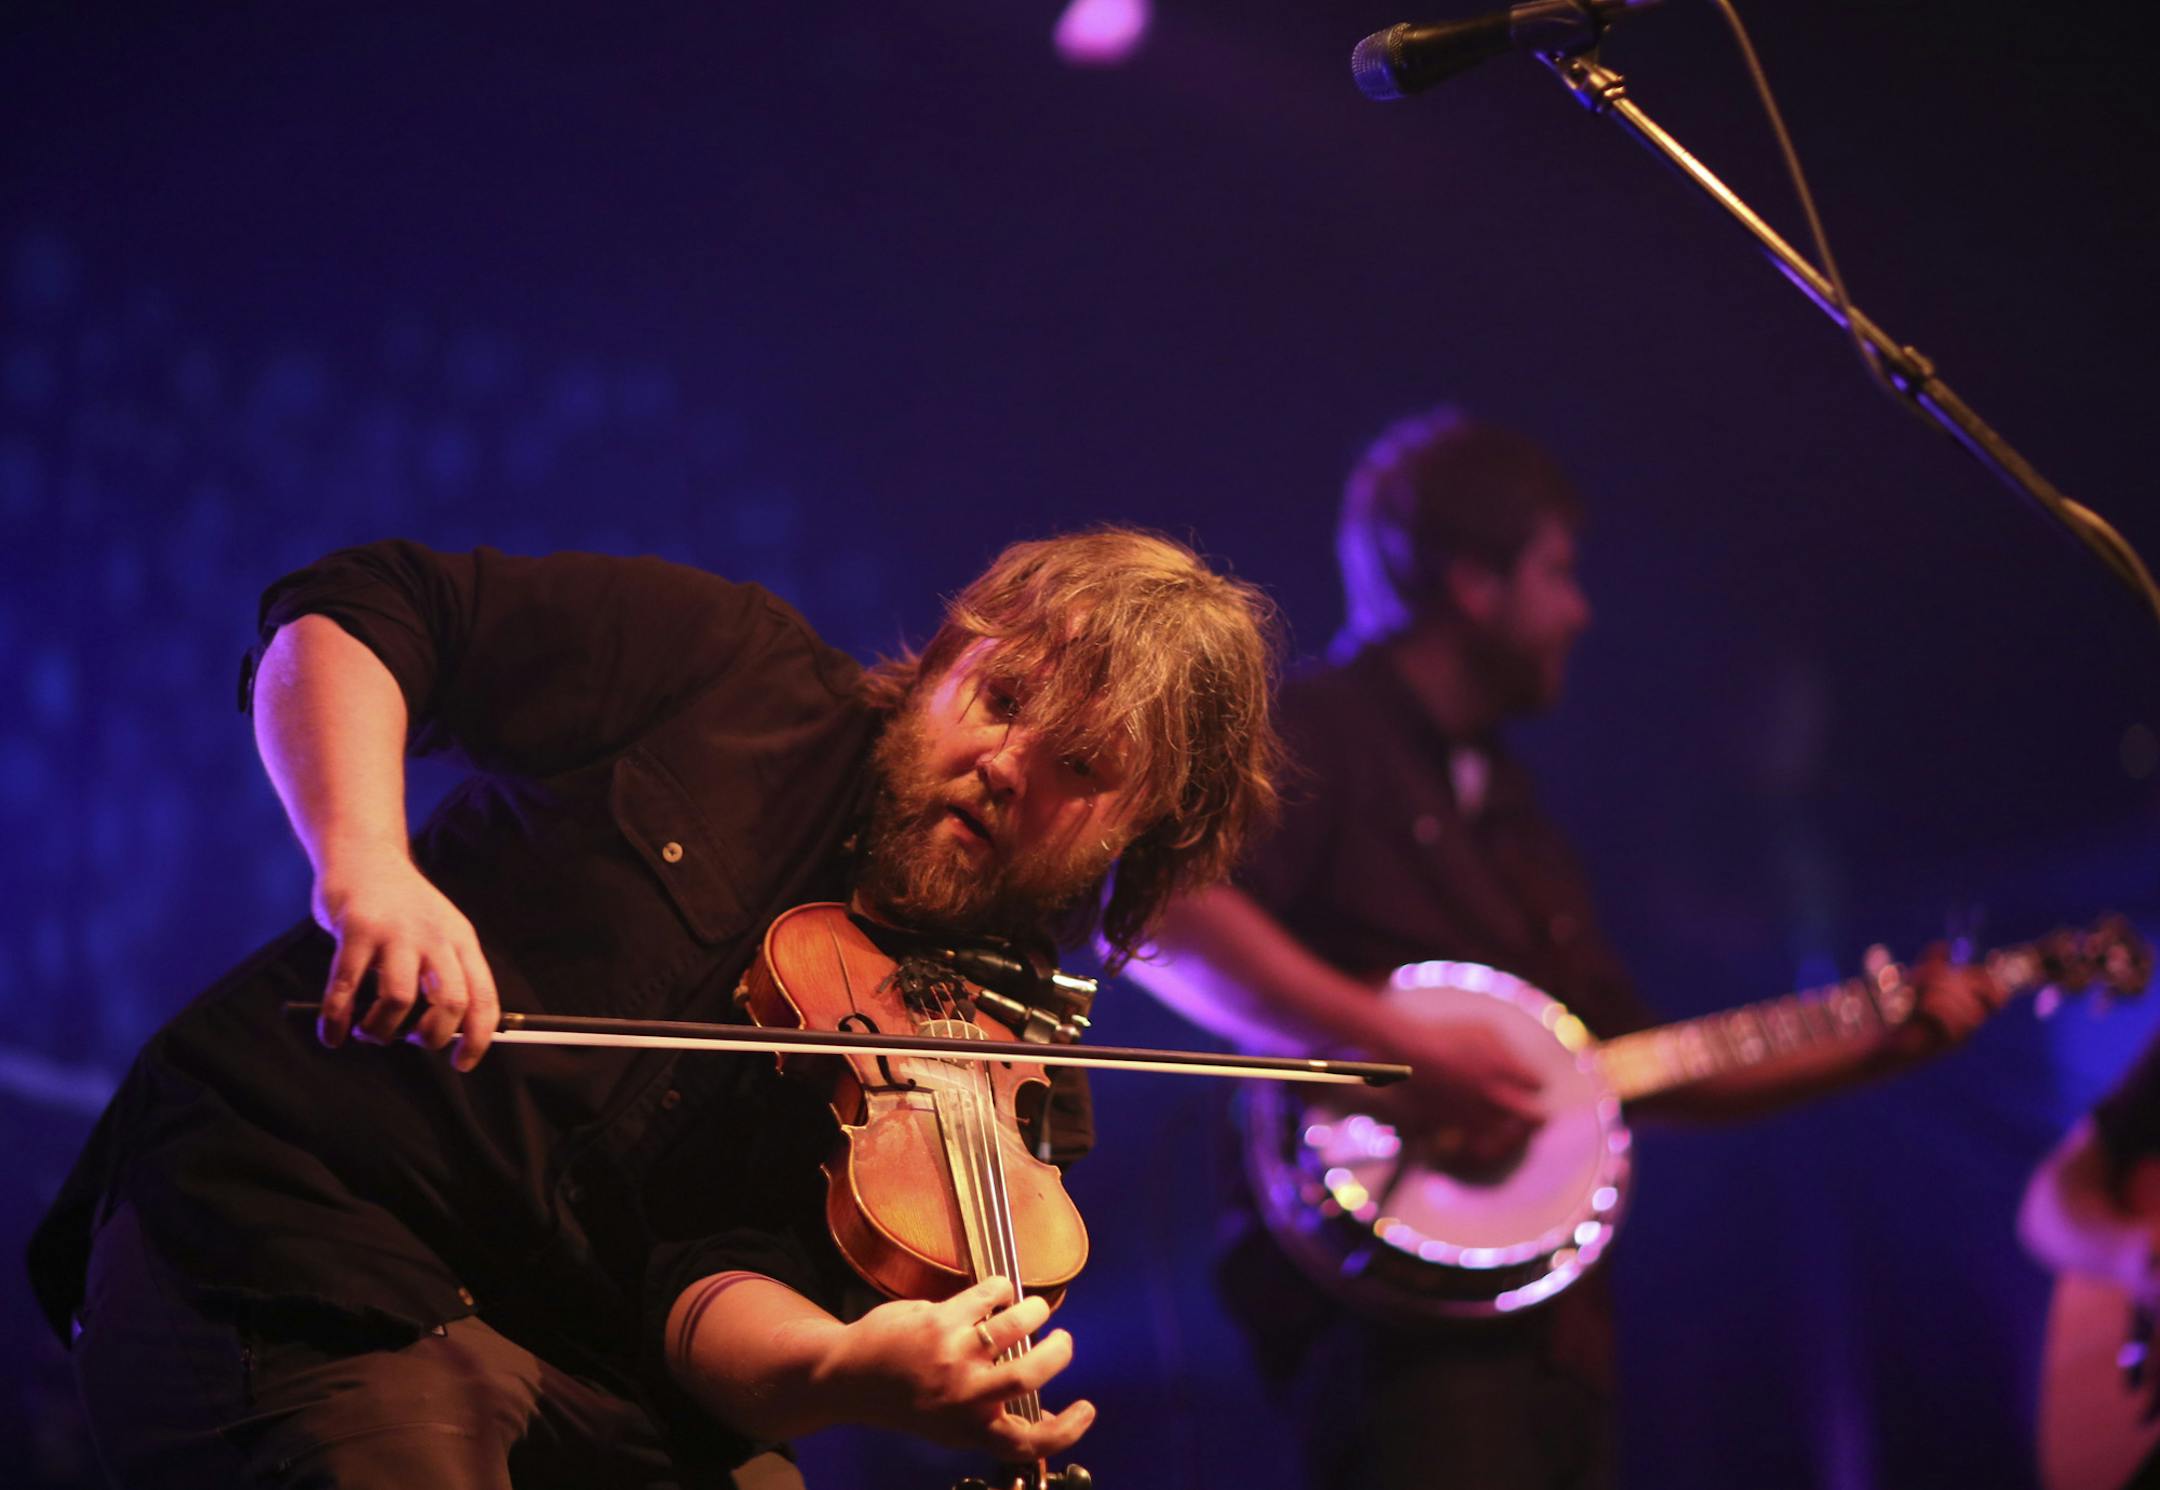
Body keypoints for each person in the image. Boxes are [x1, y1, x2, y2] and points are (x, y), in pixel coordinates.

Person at [27, 529, 1283, 1489]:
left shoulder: (1012, 1067)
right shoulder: (728, 672)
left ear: (1143, 827)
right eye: (1001, 698)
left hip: (605, 1382)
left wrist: (841, 1366)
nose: (1007, 764)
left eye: (1080, 765)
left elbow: (711, 1296)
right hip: (310, 1233)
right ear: (952, 653)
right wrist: (368, 866)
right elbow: (364, 610)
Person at [1131, 407, 2006, 1489]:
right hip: (1393, 1351)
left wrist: (1887, 1040)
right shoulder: (1319, 736)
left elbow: (1634, 1066)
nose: (1580, 611)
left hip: (1553, 1339)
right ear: (1471, 582)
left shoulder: (1516, 809)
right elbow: (1164, 916)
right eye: (1558, 571)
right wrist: (1402, 1049)